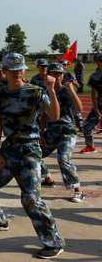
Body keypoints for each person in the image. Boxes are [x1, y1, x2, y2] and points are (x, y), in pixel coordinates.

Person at [0, 53, 65, 260]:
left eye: (20, 69)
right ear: (4, 72)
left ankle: (53, 242)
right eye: (12, 70)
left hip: (29, 151)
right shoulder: (0, 95)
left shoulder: (35, 92)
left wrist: (51, 90)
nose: (17, 73)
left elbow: (54, 115)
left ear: (24, 70)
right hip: (8, 149)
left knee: (31, 200)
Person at [38, 63, 85, 202]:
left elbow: (80, 108)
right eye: (55, 73)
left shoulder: (66, 91)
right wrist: (41, 134)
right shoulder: (43, 92)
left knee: (63, 160)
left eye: (60, 74)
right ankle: (48, 179)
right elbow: (42, 116)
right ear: (49, 75)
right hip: (51, 131)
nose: (58, 76)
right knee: (34, 153)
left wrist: (72, 91)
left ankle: (78, 190)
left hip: (66, 132)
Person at [81, 53, 102, 153]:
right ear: (97, 62)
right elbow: (93, 95)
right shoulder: (94, 77)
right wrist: (97, 111)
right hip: (99, 105)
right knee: (86, 127)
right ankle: (91, 146)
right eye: (101, 61)